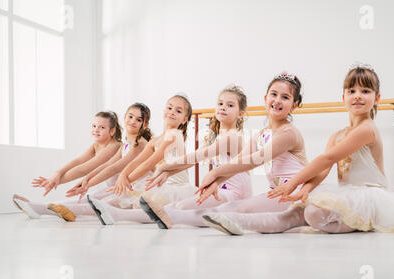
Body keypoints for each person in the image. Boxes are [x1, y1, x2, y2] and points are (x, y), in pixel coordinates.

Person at [203, 64, 394, 235]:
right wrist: (306, 188)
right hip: (346, 193)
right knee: (296, 213)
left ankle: (353, 223)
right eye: (352, 91)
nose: (358, 96)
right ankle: (234, 221)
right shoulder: (338, 135)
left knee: (312, 214)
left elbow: (327, 157)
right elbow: (324, 169)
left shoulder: (367, 129)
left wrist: (292, 182)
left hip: (369, 196)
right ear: (343, 96)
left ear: (377, 98)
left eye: (365, 92)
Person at [187, 72, 308, 234]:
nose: (278, 100)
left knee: (243, 208)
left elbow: (255, 160)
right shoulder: (261, 134)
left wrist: (215, 172)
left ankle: (293, 217)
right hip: (277, 191)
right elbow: (240, 161)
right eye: (274, 94)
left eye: (285, 97)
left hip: (296, 192)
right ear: (266, 98)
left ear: (294, 105)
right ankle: (171, 216)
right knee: (231, 207)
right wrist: (215, 183)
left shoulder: (288, 133)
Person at [143, 85, 252, 228]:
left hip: (237, 192)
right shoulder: (219, 136)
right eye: (220, 104)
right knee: (176, 205)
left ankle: (172, 218)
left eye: (230, 105)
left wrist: (165, 166)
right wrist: (169, 172)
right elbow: (191, 161)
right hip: (223, 188)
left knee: (181, 206)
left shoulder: (233, 136)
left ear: (240, 114)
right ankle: (120, 214)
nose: (223, 107)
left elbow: (199, 156)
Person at [87, 94, 196, 225]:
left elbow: (149, 163)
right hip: (159, 184)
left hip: (175, 187)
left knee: (140, 203)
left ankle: (117, 215)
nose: (172, 112)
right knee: (120, 199)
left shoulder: (174, 135)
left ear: (184, 120)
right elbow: (138, 161)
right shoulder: (154, 140)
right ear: (163, 111)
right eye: (169, 108)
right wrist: (124, 175)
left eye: (178, 111)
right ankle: (110, 211)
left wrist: (126, 180)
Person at [46, 103, 153, 222]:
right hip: (128, 185)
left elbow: (115, 168)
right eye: (130, 117)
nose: (133, 121)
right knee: (93, 198)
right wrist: (86, 179)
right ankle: (48, 207)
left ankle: (60, 209)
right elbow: (108, 165)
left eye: (138, 120)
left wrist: (87, 184)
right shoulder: (126, 143)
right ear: (125, 117)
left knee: (102, 202)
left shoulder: (140, 143)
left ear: (145, 125)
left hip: (140, 187)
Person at [12, 111, 122, 220]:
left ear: (112, 131)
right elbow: (78, 161)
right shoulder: (96, 145)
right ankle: (36, 207)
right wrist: (57, 174)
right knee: (84, 200)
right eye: (94, 126)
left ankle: (37, 207)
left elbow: (84, 169)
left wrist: (55, 181)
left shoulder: (114, 146)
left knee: (86, 202)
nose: (96, 130)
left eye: (102, 127)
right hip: (112, 190)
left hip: (121, 191)